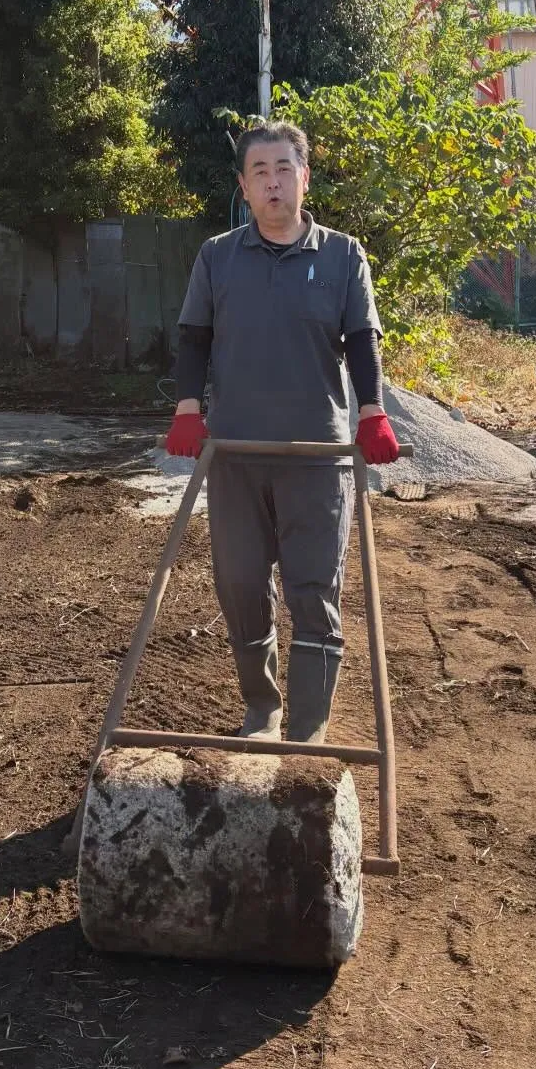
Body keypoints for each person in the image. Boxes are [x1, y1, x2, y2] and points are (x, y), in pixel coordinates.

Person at [163, 122, 399, 746]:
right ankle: (262, 707)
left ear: (304, 176)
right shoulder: (217, 256)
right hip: (236, 453)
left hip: (316, 455)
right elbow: (194, 338)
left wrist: (372, 410)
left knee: (314, 585)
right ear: (243, 186)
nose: (273, 182)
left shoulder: (343, 255)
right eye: (260, 171)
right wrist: (190, 408)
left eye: (283, 169)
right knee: (240, 582)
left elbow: (361, 340)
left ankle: (309, 726)